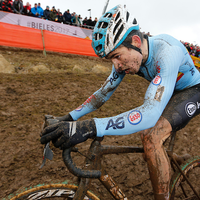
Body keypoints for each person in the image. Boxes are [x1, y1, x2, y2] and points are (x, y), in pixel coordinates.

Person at [40, 4, 200, 200]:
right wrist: (69, 117)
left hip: (193, 91)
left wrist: (90, 127)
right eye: (111, 60)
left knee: (151, 138)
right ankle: (172, 160)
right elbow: (102, 94)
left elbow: (148, 114)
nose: (116, 65)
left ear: (135, 41)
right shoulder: (131, 56)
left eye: (116, 57)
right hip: (170, 90)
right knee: (149, 140)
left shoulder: (167, 53)